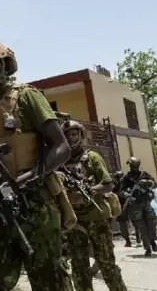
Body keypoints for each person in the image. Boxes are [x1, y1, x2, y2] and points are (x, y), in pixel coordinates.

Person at [0, 35, 74, 291]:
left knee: (49, 281)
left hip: (36, 202)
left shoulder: (27, 97)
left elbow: (61, 147)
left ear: (7, 66)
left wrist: (29, 177)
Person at [61, 120, 127, 291]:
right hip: (74, 221)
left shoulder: (92, 157)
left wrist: (89, 190)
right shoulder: (60, 163)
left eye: (74, 134)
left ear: (81, 136)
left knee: (106, 264)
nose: (71, 138)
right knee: (79, 267)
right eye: (67, 135)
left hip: (97, 218)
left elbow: (108, 184)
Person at [119, 158, 157, 257]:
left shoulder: (144, 174)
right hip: (135, 205)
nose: (135, 169)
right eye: (133, 167)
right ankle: (147, 248)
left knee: (151, 221)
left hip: (145, 201)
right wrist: (128, 195)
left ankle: (152, 240)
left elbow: (155, 184)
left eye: (136, 167)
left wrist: (147, 182)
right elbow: (121, 191)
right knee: (141, 226)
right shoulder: (126, 177)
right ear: (130, 166)